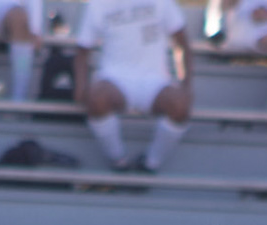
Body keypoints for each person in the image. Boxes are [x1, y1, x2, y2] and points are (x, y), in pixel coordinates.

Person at [73, 0, 191, 173]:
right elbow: (83, 50)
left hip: (155, 81)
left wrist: (187, 85)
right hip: (114, 79)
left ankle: (150, 163)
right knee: (96, 98)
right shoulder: (97, 4)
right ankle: (118, 159)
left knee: (180, 104)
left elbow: (182, 42)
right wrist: (80, 87)